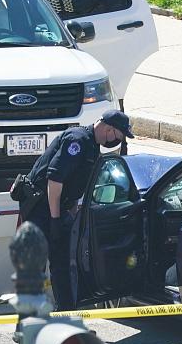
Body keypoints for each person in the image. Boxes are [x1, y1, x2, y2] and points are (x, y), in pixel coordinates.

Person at [13, 110, 134, 310]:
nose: (115, 142)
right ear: (109, 128)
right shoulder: (77, 141)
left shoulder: (92, 146)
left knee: (62, 266)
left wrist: (70, 213)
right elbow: (55, 180)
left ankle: (66, 318)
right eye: (117, 137)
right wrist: (54, 219)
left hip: (57, 209)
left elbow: (76, 185)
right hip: (41, 207)